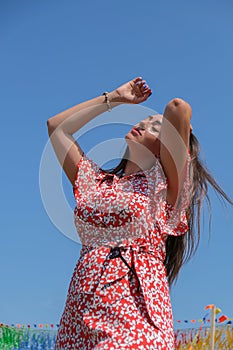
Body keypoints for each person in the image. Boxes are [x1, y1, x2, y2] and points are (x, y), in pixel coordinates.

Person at [47, 77, 232, 349]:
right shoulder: (95, 182)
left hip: (134, 312)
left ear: (167, 143)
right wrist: (115, 98)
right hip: (80, 310)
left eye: (155, 127)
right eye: (143, 121)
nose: (142, 124)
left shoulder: (167, 184)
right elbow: (57, 128)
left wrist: (179, 130)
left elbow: (178, 108)